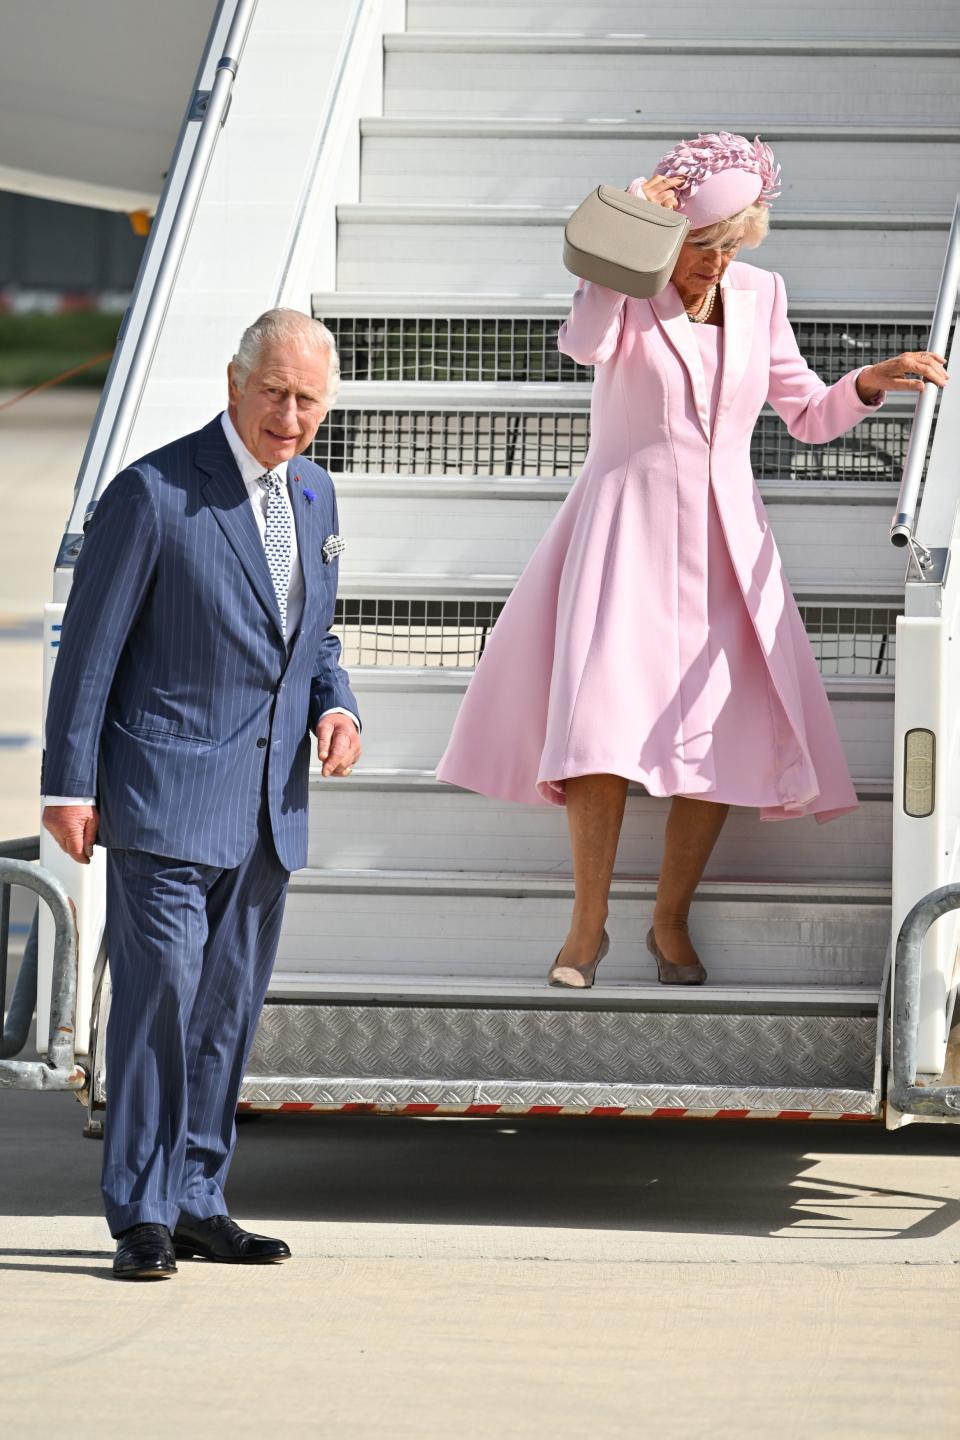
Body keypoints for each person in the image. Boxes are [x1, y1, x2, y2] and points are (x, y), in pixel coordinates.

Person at [437, 133, 949, 989]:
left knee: (719, 733)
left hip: (725, 539)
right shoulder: (626, 289)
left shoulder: (761, 293)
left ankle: (669, 919)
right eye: (701, 248)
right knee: (597, 727)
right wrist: (631, 241)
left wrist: (870, 380)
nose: (715, 266)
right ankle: (587, 925)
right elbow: (584, 345)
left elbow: (806, 414)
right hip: (624, 528)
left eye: (728, 248)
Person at [41, 308, 361, 1279]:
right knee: (158, 1000)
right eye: (276, 393)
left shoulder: (315, 496)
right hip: (165, 793)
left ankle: (197, 1198)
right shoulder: (153, 493)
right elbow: (88, 653)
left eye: (310, 400)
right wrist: (68, 781)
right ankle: (140, 1208)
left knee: (225, 1009)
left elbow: (313, 639)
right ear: (234, 384)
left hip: (269, 806)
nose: (292, 415)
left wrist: (335, 705)